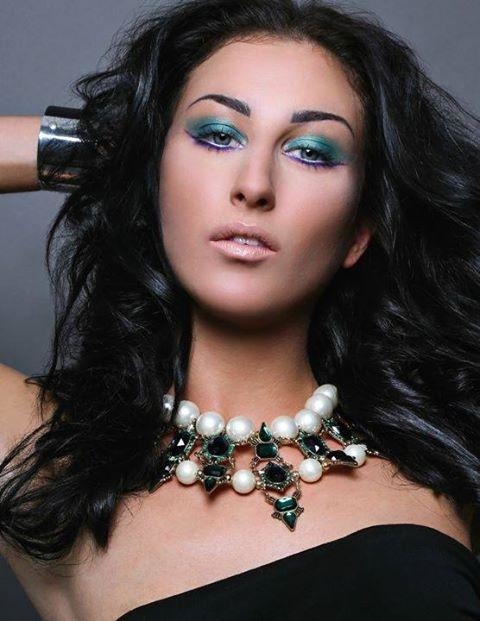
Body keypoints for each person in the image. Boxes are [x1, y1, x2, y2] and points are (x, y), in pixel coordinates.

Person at [0, 0, 479, 619]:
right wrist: (109, 153)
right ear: (154, 180)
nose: (254, 185)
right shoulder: (52, 467)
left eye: (311, 151)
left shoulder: (444, 477)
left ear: (360, 231)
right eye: (217, 136)